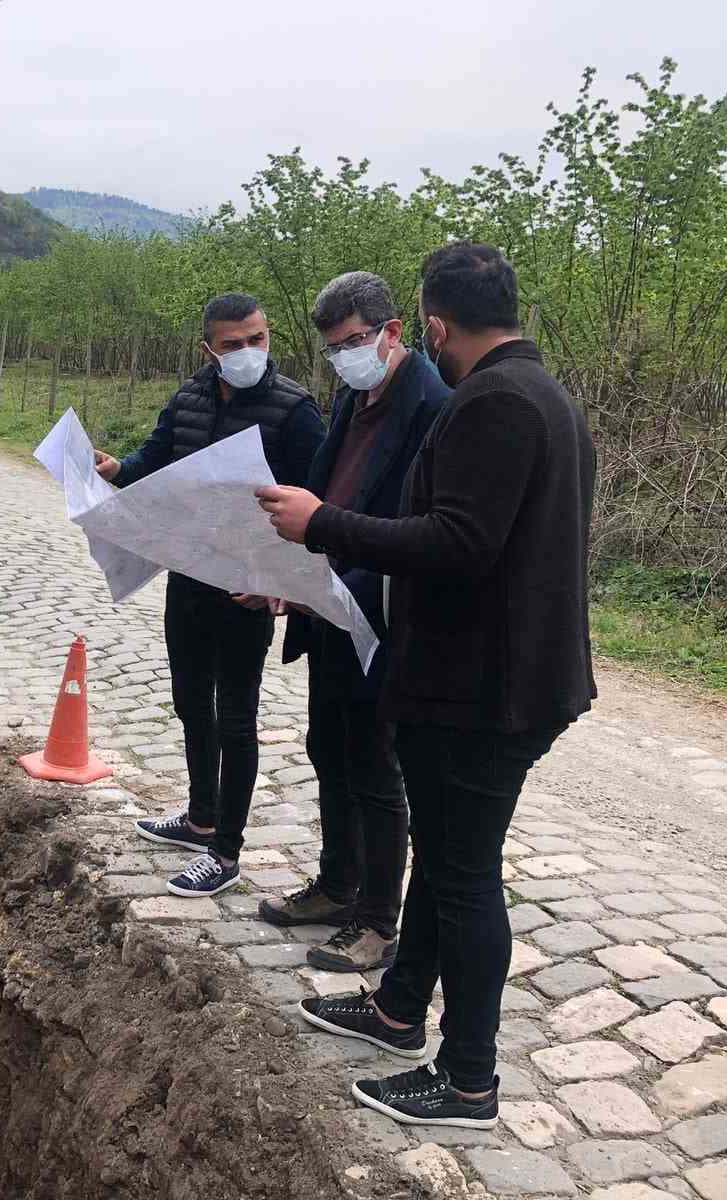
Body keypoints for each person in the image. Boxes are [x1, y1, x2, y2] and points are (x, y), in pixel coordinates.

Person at [256, 243, 596, 1129]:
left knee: (467, 879)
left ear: (434, 324)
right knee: (449, 869)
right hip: (496, 677)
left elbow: (457, 541)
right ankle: (399, 1010)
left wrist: (324, 524)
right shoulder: (542, 395)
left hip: (486, 689)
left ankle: (469, 1080)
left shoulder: (495, 403)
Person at [94, 293, 326, 898]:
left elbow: (321, 507)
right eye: (232, 344)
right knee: (190, 700)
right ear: (209, 349)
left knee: (235, 716)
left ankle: (226, 850)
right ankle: (200, 817)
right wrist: (118, 470)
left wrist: (278, 585)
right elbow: (156, 458)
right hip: (189, 575)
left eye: (257, 339)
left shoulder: (296, 411)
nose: (248, 352)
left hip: (247, 591)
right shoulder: (192, 397)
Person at [257, 272, 450, 974]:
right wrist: (286, 577)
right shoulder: (351, 397)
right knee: (327, 750)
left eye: (355, 342)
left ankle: (377, 921)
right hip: (325, 605)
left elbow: (412, 531)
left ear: (393, 331)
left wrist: (339, 586)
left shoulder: (434, 407)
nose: (344, 357)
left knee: (374, 768)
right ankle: (336, 887)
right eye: (334, 348)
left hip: (378, 617)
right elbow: (324, 491)